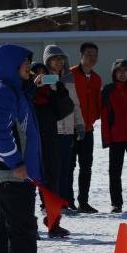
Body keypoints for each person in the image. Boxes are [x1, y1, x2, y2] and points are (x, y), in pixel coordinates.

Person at [0, 44, 52, 253]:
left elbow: (18, 114)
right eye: (25, 63)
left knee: (5, 230)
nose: (29, 68)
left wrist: (32, 86)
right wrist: (15, 164)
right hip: (12, 176)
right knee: (23, 230)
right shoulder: (1, 93)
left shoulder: (13, 90)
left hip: (11, 176)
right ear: (12, 64)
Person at [41, 45, 85, 224]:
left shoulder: (68, 78)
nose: (59, 62)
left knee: (66, 168)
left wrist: (80, 123)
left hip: (67, 130)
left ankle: (64, 202)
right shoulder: (44, 78)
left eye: (61, 58)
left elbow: (75, 103)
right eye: (54, 59)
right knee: (52, 169)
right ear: (47, 61)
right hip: (51, 130)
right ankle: (49, 202)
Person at [28, 61, 71, 238]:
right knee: (29, 188)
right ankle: (29, 227)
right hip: (30, 149)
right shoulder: (26, 96)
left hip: (50, 146)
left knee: (52, 186)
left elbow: (65, 110)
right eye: (36, 74)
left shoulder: (51, 96)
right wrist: (32, 88)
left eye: (44, 74)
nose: (40, 77)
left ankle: (54, 225)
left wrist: (59, 87)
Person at [99, 59, 127, 213]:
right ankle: (116, 203)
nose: (122, 74)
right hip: (116, 137)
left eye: (125, 70)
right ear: (114, 73)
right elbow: (104, 116)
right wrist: (106, 138)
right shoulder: (108, 90)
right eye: (118, 71)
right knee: (114, 172)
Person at [69, 41, 101, 213]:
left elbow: (97, 101)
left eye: (95, 55)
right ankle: (68, 200)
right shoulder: (70, 74)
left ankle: (84, 201)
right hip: (70, 129)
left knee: (86, 167)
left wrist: (95, 117)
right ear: (81, 55)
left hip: (88, 129)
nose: (92, 58)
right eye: (88, 54)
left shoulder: (96, 78)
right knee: (69, 166)